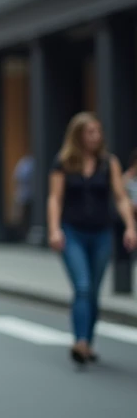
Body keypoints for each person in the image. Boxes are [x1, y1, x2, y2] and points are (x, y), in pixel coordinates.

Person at [47, 112, 137, 365]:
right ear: (78, 135)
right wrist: (54, 229)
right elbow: (55, 198)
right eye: (90, 131)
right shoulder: (63, 163)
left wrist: (130, 227)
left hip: (101, 233)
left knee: (94, 292)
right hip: (72, 232)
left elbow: (120, 198)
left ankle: (88, 339)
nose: (96, 136)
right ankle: (80, 342)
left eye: (98, 131)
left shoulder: (109, 163)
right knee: (83, 287)